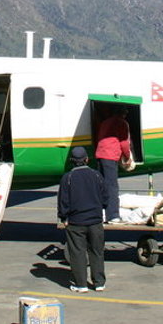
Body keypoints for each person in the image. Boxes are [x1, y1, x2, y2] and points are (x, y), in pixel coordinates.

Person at [57, 146, 108, 293]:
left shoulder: (67, 178)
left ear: (72, 161)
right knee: (97, 252)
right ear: (86, 159)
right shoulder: (97, 175)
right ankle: (99, 282)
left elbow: (63, 201)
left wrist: (63, 217)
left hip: (76, 222)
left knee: (78, 253)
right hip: (95, 221)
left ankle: (81, 284)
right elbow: (105, 197)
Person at [95, 106, 132, 223]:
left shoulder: (105, 122)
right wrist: (127, 156)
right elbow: (124, 142)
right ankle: (113, 215)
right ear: (123, 114)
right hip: (110, 156)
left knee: (100, 186)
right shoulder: (122, 123)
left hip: (100, 154)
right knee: (111, 186)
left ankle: (99, 213)